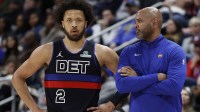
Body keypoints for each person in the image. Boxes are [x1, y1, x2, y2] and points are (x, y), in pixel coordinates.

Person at [12, 0, 123, 112]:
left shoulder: (102, 52)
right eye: (69, 20)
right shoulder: (46, 51)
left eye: (78, 20)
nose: (74, 24)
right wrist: (35, 108)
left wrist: (111, 104)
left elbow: (128, 80)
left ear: (86, 23)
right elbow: (18, 77)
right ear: (62, 23)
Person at [115, 7, 186, 112]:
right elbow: (122, 85)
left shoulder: (174, 50)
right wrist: (156, 77)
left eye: (140, 21)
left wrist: (137, 81)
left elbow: (174, 87)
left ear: (154, 23)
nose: (135, 26)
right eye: (135, 22)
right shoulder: (128, 51)